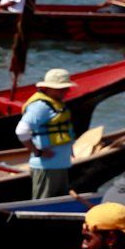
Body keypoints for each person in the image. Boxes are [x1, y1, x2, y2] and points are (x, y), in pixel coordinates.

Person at [15, 68, 76, 200]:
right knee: (43, 207)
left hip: (60, 165)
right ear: (47, 88)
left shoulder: (57, 104)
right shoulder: (41, 106)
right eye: (61, 89)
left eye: (66, 88)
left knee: (59, 205)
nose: (65, 91)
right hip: (47, 168)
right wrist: (37, 152)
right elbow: (21, 130)